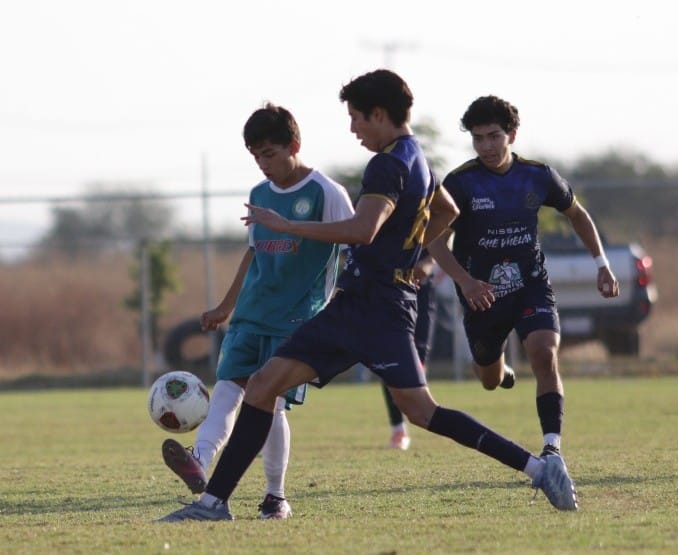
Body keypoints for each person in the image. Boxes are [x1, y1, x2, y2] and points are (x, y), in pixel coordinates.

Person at [157, 69, 578, 523]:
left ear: (379, 114)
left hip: (377, 308)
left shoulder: (387, 164)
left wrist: (288, 225)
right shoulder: (417, 158)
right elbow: (447, 210)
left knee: (421, 411)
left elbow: (362, 230)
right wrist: (407, 253)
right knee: (262, 385)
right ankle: (213, 503)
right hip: (361, 302)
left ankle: (539, 469)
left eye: (356, 117)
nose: (353, 128)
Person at [160, 103, 354, 520]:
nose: (263, 164)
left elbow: (356, 244)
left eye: (269, 154)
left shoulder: (326, 193)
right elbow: (253, 254)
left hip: (296, 320)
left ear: (294, 146)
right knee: (226, 389)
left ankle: (275, 496)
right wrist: (225, 306)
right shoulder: (259, 194)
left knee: (270, 403)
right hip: (251, 314)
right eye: (255, 156)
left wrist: (346, 303)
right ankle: (200, 461)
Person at [427, 95, 619, 459]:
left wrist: (602, 263)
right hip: (482, 295)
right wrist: (466, 281)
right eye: (478, 138)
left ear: (512, 135)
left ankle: (552, 448)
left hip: (531, 284)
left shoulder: (538, 175)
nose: (486, 146)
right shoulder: (461, 183)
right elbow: (433, 239)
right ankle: (500, 370)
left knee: (544, 354)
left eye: (494, 136)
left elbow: (577, 215)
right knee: (489, 380)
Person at [383, 250, 438, 450]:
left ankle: (426, 412)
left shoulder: (429, 224)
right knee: (389, 359)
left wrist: (429, 261)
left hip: (421, 289)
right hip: (390, 288)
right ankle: (398, 428)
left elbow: (445, 237)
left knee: (419, 358)